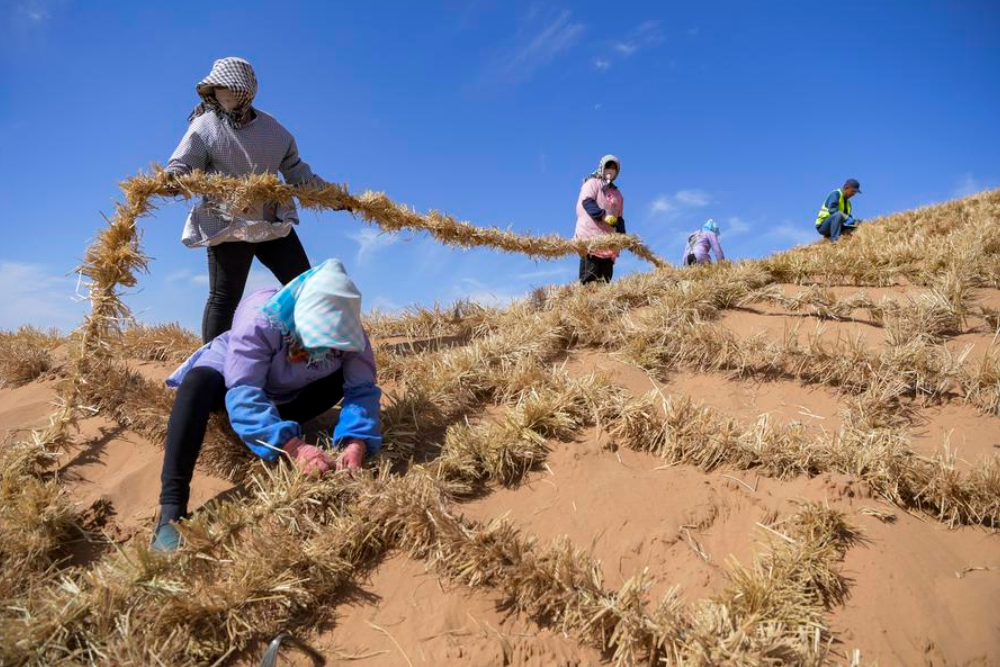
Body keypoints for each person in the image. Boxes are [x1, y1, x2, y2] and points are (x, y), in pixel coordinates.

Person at [152, 259, 382, 552]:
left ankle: (271, 428)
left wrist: (355, 443)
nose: (327, 350)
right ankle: (171, 507)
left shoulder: (350, 333)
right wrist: (293, 447)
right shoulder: (260, 318)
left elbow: (362, 390)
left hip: (289, 392)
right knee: (197, 383)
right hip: (233, 380)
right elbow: (244, 391)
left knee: (341, 380)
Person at [165, 57, 343, 343]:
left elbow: (298, 173)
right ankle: (213, 363)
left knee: (303, 285)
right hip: (227, 224)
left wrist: (331, 196)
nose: (221, 95)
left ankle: (322, 346)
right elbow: (182, 163)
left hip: (270, 221)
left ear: (245, 89)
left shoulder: (275, 131)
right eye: (215, 89)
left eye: (227, 87)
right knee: (224, 298)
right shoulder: (205, 125)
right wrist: (172, 180)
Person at [575, 155, 626, 284]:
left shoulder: (617, 194)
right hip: (591, 238)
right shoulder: (592, 183)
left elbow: (619, 218)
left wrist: (622, 237)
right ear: (602, 167)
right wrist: (604, 216)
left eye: (614, 168)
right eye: (608, 166)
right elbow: (587, 202)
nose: (611, 170)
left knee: (604, 280)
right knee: (590, 277)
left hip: (608, 242)